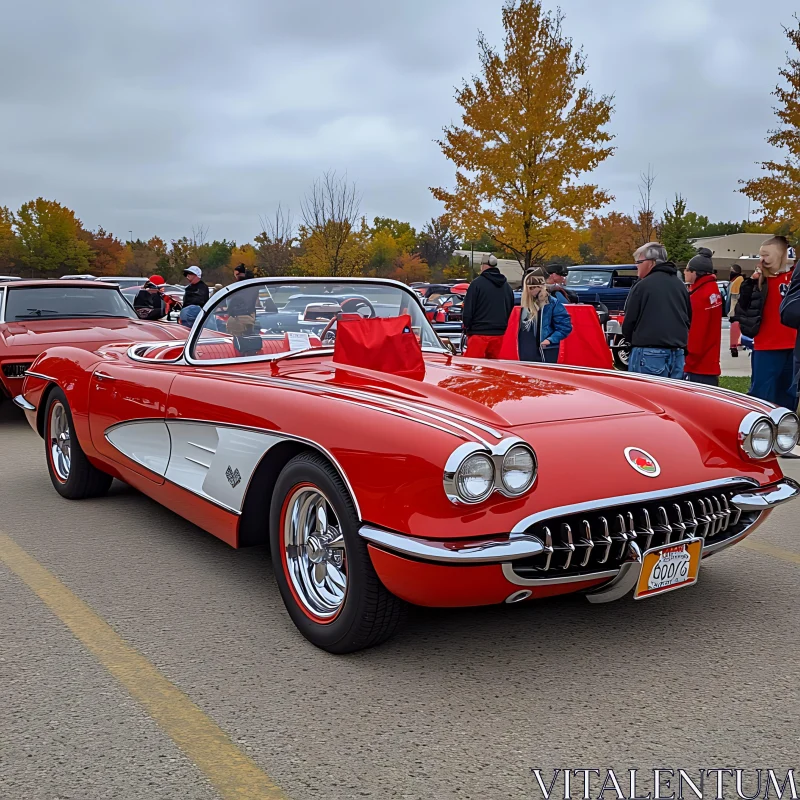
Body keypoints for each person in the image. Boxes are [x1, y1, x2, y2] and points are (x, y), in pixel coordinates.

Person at [736, 236, 797, 408]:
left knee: (788, 395)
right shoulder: (759, 281)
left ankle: (786, 432)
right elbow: (743, 309)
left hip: (793, 346)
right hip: (767, 345)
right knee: (762, 396)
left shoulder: (795, 278)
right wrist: (753, 283)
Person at [622, 242, 692, 379]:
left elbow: (629, 320)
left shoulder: (642, 286)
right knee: (670, 399)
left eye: (639, 262)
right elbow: (688, 318)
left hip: (648, 353)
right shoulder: (680, 286)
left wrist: (631, 339)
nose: (637, 266)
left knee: (644, 397)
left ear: (651, 262)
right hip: (677, 354)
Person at [499, 271, 572, 362]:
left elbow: (565, 327)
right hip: (525, 349)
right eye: (530, 288)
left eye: (535, 287)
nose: (532, 290)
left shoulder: (552, 303)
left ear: (541, 287)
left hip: (545, 350)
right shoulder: (524, 304)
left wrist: (550, 340)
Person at [462, 254, 514, 358]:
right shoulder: (507, 286)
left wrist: (467, 326)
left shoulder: (476, 284)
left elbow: (468, 309)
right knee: (497, 370)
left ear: (483, 265)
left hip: (479, 334)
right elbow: (510, 309)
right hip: (500, 335)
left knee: (470, 368)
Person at [684, 248, 722, 385]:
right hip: (710, 361)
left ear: (696, 273)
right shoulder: (713, 290)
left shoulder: (700, 296)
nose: (684, 272)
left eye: (688, 270)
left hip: (699, 367)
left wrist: (688, 360)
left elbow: (697, 333)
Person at [225, 264, 259, 335]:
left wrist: (231, 312)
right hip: (249, 316)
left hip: (239, 317)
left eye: (238, 274)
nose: (236, 276)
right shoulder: (254, 287)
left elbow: (231, 303)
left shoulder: (239, 288)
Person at [728, 264, 744, 356]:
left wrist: (732, 311)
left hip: (735, 310)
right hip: (734, 309)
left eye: (732, 270)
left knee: (735, 326)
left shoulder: (738, 280)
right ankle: (734, 345)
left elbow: (735, 298)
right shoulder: (735, 280)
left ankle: (735, 345)